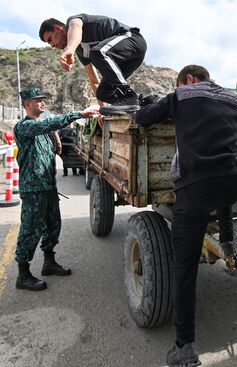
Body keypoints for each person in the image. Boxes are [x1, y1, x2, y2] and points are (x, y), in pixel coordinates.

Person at [136, 65, 237, 366]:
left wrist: (157, 108)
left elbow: (143, 118)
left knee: (185, 267)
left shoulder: (180, 95)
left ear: (188, 80)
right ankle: (228, 240)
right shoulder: (233, 98)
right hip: (233, 185)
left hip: (196, 188)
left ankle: (184, 346)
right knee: (221, 185)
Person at [13, 88, 95, 291]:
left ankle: (49, 263)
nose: (42, 103)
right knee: (30, 230)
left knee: (52, 226)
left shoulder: (42, 132)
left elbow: (49, 129)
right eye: (38, 100)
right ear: (27, 104)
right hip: (33, 189)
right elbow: (46, 124)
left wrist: (57, 138)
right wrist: (80, 114)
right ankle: (23, 275)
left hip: (48, 187)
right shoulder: (24, 127)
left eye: (43, 100)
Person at [39, 14, 147, 113]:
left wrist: (70, 49)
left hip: (132, 40)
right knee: (103, 92)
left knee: (97, 52)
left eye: (50, 40)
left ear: (58, 28)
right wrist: (101, 109)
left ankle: (129, 97)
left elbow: (75, 27)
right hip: (126, 60)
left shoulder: (73, 21)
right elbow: (94, 80)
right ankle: (141, 102)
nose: (52, 45)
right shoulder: (81, 50)